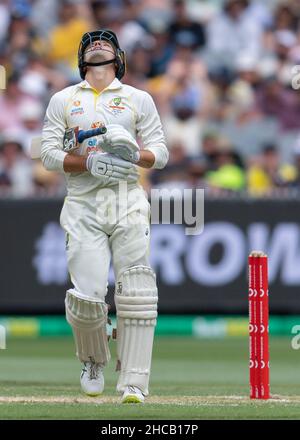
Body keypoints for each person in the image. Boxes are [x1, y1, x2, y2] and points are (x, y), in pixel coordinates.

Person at [41, 29, 169, 404]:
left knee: (137, 291)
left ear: (119, 57)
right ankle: (94, 361)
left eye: (106, 43)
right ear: (82, 59)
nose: (98, 43)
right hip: (82, 203)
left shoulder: (137, 99)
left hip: (127, 198)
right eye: (91, 43)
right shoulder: (63, 100)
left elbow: (159, 152)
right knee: (88, 298)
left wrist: (133, 156)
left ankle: (134, 381)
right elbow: (49, 154)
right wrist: (89, 162)